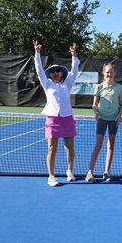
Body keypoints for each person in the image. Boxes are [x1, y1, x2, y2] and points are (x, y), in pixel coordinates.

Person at [33, 40, 80, 187]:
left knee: (69, 148)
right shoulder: (47, 84)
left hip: (67, 119)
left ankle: (70, 171)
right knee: (52, 149)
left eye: (57, 71)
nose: (55, 73)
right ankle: (51, 176)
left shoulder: (67, 83)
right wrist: (37, 54)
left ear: (61, 73)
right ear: (50, 75)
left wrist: (74, 55)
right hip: (52, 120)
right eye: (53, 72)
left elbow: (75, 71)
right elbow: (39, 70)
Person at [86, 63, 122, 183]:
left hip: (114, 120)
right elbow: (94, 104)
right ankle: (90, 172)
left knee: (111, 146)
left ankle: (106, 172)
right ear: (104, 73)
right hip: (101, 119)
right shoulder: (99, 87)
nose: (109, 74)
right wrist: (96, 112)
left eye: (111, 72)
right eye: (107, 72)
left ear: (114, 73)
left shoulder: (119, 88)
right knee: (98, 145)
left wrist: (119, 115)